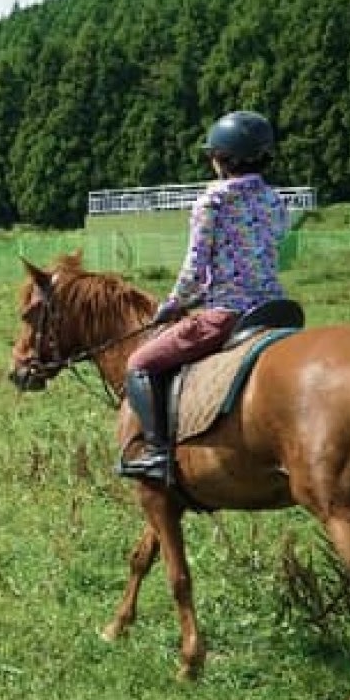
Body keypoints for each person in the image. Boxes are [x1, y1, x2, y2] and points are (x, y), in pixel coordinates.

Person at [119, 110, 291, 480]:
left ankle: (157, 454)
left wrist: (171, 306)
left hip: (227, 313)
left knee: (140, 364)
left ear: (222, 159)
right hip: (277, 311)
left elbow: (195, 271)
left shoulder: (212, 202)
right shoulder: (276, 201)